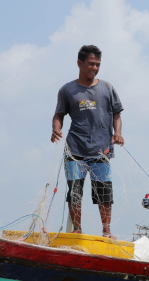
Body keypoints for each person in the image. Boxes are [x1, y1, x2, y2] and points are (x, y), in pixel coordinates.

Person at [51, 45, 124, 238]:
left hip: (102, 151)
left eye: (98, 64)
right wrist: (56, 129)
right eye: (91, 64)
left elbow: (117, 114)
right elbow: (58, 114)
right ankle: (77, 229)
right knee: (74, 192)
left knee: (104, 193)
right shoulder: (67, 90)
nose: (95, 68)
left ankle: (106, 231)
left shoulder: (107, 88)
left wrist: (118, 133)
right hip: (75, 150)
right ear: (79, 63)